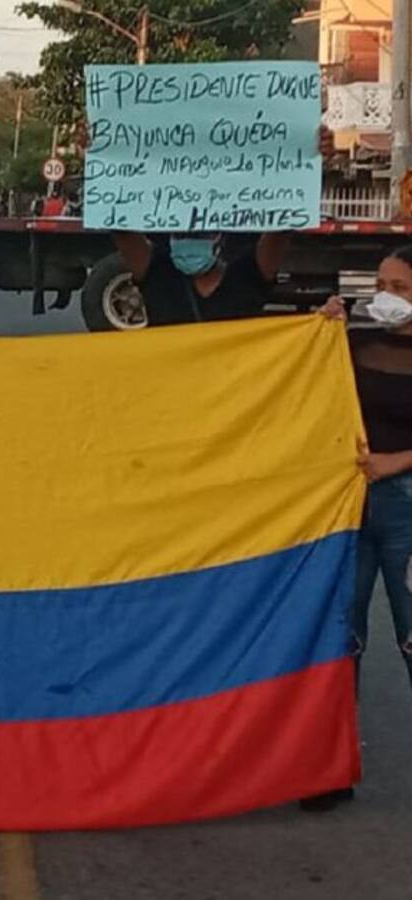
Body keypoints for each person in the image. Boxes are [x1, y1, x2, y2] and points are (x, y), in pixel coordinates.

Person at [309, 247, 412, 811]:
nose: (386, 294)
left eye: (400, 285)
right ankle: (329, 769)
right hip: (351, 507)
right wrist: (320, 331)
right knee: (340, 639)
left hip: (406, 508)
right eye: (381, 282)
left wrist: (400, 461)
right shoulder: (359, 341)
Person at [110, 127, 336, 326]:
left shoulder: (246, 278)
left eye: (200, 230)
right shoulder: (158, 276)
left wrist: (310, 161)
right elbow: (118, 221)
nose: (191, 236)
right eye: (182, 231)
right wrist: (103, 156)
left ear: (219, 236)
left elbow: (284, 223)